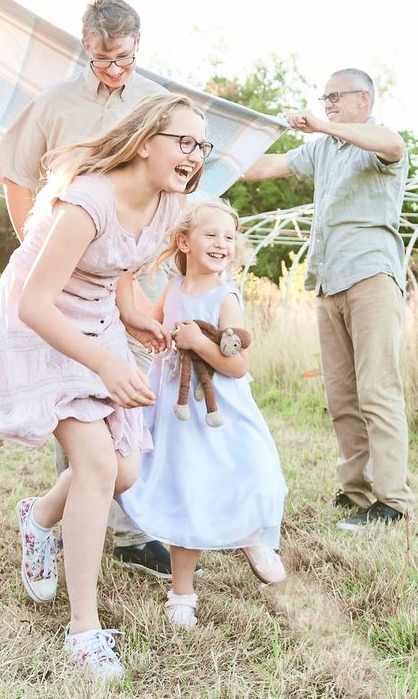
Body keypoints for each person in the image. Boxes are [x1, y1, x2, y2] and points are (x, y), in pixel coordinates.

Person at [0, 95, 210, 681]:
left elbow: (117, 271)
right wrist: (107, 365)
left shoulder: (169, 204)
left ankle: (38, 518)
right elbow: (35, 303)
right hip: (39, 322)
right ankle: (84, 631)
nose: (194, 156)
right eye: (184, 142)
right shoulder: (89, 199)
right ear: (146, 141)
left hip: (96, 319)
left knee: (125, 472)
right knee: (94, 464)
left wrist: (134, 315)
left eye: (201, 147)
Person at [0, 0, 177, 577]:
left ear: (138, 45)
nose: (113, 70)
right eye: (101, 59)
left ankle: (126, 532)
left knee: (121, 403)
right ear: (84, 47)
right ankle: (71, 528)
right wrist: (35, 241)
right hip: (63, 272)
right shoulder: (54, 104)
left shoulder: (155, 105)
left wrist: (137, 295)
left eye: (121, 58)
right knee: (72, 398)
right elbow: (16, 172)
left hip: (122, 265)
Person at [243, 68, 415, 529]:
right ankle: (355, 491)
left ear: (364, 98)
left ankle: (393, 501)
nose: (328, 105)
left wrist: (321, 124)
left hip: (370, 274)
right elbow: (262, 168)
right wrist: (214, 146)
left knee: (377, 388)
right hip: (329, 280)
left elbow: (393, 145)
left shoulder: (378, 143)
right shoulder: (322, 148)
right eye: (324, 99)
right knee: (341, 395)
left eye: (335, 97)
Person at [119, 199, 288, 628]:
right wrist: (122, 284)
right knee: (186, 490)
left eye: (229, 237)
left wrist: (197, 343)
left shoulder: (225, 296)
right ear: (184, 241)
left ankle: (250, 535)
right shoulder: (174, 287)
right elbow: (150, 326)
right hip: (177, 413)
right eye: (211, 234)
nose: (222, 243)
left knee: (246, 475)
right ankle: (182, 592)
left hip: (222, 409)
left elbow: (237, 365)